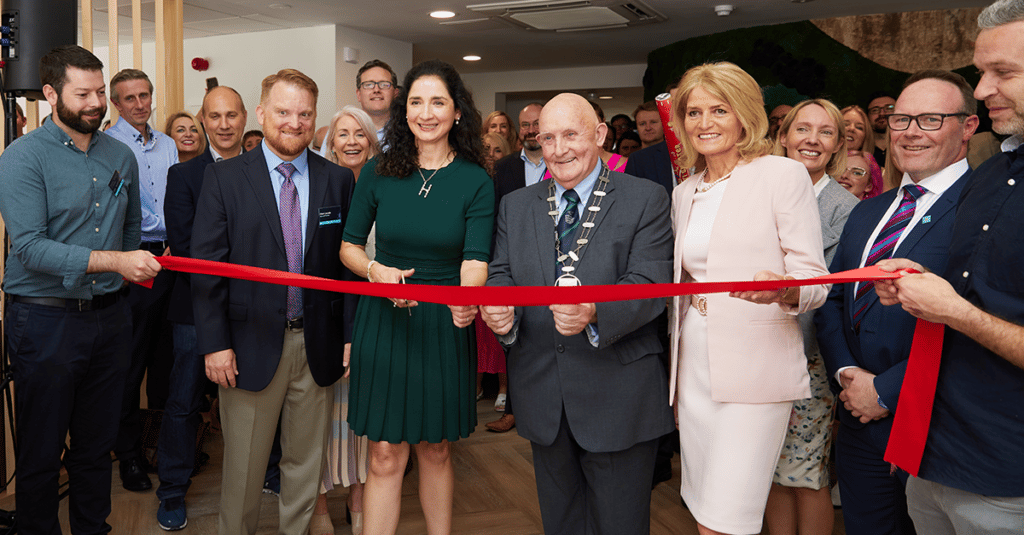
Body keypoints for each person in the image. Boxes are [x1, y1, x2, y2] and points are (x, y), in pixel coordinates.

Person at [481, 92, 673, 534]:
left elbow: (650, 285)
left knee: (619, 524)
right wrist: (500, 307)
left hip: (619, 394)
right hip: (541, 392)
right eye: (548, 137)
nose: (558, 149)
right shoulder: (517, 204)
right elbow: (502, 273)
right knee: (561, 523)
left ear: (601, 134)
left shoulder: (647, 197)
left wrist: (595, 311)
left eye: (571, 135)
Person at [873, 3, 1024, 531]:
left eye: (1003, 73)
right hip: (931, 456)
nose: (982, 90)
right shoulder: (992, 174)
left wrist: (954, 311)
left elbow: (965, 313)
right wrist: (920, 280)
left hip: (1004, 478)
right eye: (982, 73)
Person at [0, 44, 161, 535]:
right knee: (42, 453)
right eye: (83, 93)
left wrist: (124, 266)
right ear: (50, 93)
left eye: (99, 91)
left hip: (110, 318)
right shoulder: (22, 157)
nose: (96, 103)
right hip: (43, 321)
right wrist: (116, 262)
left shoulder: (121, 156)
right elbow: (29, 247)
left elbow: (131, 230)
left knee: (96, 448)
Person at [192, 69, 357, 535]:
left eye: (304, 114)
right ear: (261, 114)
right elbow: (207, 270)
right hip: (246, 347)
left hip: (318, 345)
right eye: (283, 112)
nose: (294, 122)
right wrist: (214, 344)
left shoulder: (337, 181)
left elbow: (345, 267)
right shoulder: (223, 179)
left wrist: (347, 337)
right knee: (243, 472)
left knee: (305, 469)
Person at [668, 62, 829, 535]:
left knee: (724, 518)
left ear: (744, 115)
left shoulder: (782, 174)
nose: (705, 123)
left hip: (756, 372)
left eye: (719, 109)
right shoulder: (684, 191)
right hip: (694, 366)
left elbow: (816, 280)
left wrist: (781, 289)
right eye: (693, 112)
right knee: (702, 508)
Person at [817, 68, 979, 535]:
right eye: (901, 118)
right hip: (858, 418)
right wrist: (849, 377)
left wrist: (885, 391)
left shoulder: (984, 210)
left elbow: (980, 324)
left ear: (967, 126)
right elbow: (833, 300)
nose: (909, 131)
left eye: (929, 119)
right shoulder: (867, 211)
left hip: (936, 426)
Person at [340, 59, 493, 535]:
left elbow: (476, 259)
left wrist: (467, 300)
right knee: (384, 452)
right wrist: (375, 271)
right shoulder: (378, 172)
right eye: (417, 102)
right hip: (382, 321)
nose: (426, 113)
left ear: (458, 112)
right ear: (404, 110)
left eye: (438, 102)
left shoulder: (476, 180)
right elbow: (347, 246)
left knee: (436, 447)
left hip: (444, 322)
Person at [157, 85, 248, 529]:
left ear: (246, 118)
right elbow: (191, 249)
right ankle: (172, 489)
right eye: (215, 116)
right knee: (183, 401)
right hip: (196, 307)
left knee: (258, 393)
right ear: (203, 122)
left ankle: (267, 473)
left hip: (255, 308)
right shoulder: (184, 177)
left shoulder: (264, 172)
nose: (224, 124)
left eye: (232, 115)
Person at [767, 98, 858, 535]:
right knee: (769, 470)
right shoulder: (759, 191)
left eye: (825, 132)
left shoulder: (846, 209)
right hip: (757, 353)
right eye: (802, 129)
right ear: (783, 136)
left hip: (810, 360)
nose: (812, 140)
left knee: (804, 474)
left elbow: (836, 296)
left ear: (838, 144)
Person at [104, 67, 179, 494]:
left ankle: (163, 451)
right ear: (116, 104)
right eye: (129, 98)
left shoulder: (167, 144)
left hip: (173, 259)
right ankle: (128, 455)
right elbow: (124, 202)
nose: (139, 104)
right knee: (130, 364)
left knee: (165, 361)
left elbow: (174, 196)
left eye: (144, 95)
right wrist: (165, 229)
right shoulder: (108, 146)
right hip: (134, 258)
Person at [306, 105, 380, 535]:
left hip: (377, 316)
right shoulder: (319, 184)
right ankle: (317, 509)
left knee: (362, 421)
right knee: (313, 422)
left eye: (360, 134)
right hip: (325, 318)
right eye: (342, 134)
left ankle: (359, 502)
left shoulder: (389, 184)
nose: (351, 141)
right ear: (330, 141)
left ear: (372, 141)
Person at [487, 101, 546, 433]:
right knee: (513, 337)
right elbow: (496, 218)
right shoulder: (505, 167)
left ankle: (543, 410)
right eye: (525, 125)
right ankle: (512, 410)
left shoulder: (560, 161)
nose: (531, 130)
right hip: (515, 263)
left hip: (554, 266)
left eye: (537, 123)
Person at [842, 105, 884, 199]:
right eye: (845, 124)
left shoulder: (881, 174)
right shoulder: (817, 165)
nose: (851, 129)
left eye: (859, 127)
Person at [355, 59, 399, 143]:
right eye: (368, 85)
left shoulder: (411, 131)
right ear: (359, 94)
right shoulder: (340, 131)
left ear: (395, 93)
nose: (376, 90)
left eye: (384, 85)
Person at [867, 92, 896, 165]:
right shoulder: (861, 150)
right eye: (875, 110)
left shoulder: (908, 146)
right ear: (867, 117)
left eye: (889, 108)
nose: (882, 113)